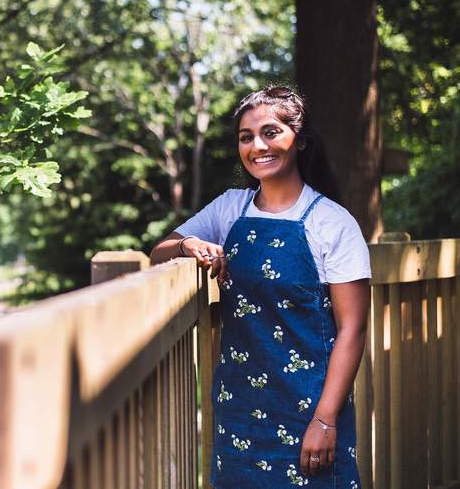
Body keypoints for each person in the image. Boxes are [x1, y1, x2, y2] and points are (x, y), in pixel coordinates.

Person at [150, 86, 370, 488]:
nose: (257, 146)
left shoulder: (333, 223)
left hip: (309, 411)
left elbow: (353, 329)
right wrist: (188, 244)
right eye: (246, 137)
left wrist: (325, 418)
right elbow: (158, 253)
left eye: (271, 132)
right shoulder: (230, 208)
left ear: (299, 141)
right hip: (238, 409)